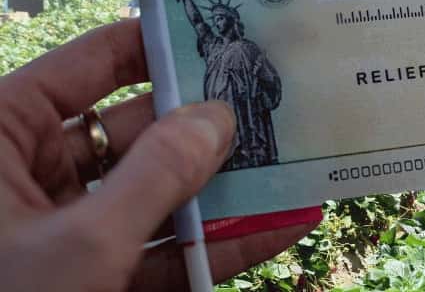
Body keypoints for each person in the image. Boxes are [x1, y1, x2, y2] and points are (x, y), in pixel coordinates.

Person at [0, 19, 321, 290]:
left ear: (234, 22)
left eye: (224, 19)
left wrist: (259, 95)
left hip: (250, 123)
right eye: (217, 19)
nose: (219, 23)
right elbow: (198, 23)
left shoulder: (249, 50)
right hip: (222, 126)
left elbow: (272, 84)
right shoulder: (216, 49)